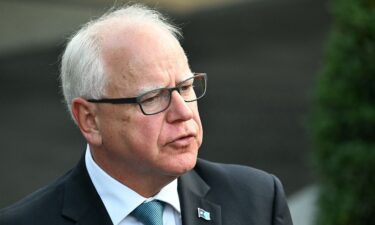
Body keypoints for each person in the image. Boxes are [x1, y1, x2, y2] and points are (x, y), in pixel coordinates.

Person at [0, 4, 293, 225]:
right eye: (152, 98)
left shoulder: (257, 200)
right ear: (90, 120)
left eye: (186, 86)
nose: (183, 112)